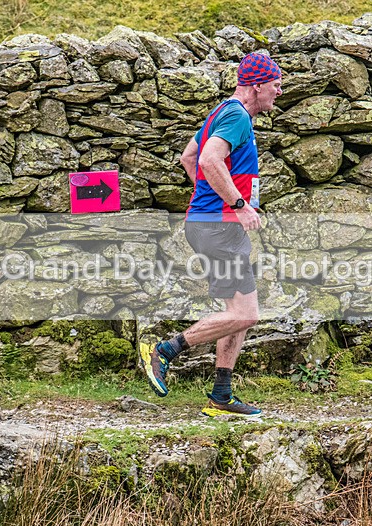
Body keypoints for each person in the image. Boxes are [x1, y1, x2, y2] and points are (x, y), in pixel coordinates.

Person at [139, 52, 283, 418]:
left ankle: (221, 394)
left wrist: (211, 199)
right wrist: (237, 204)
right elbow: (207, 160)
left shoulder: (222, 111)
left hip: (214, 225)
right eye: (275, 84)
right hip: (219, 227)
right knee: (247, 314)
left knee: (237, 313)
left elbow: (188, 157)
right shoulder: (237, 116)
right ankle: (164, 350)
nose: (279, 92)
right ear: (257, 86)